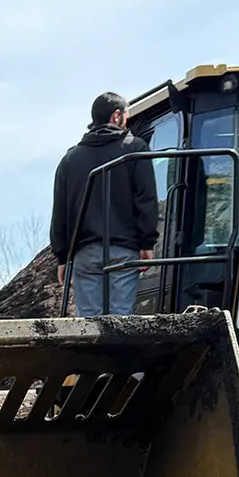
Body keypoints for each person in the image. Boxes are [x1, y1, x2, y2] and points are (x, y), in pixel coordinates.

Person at [49, 91, 159, 318]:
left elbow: (60, 212)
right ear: (116, 116)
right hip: (123, 250)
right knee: (120, 319)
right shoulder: (136, 149)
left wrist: (62, 257)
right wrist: (147, 242)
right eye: (126, 116)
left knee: (88, 323)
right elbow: (145, 197)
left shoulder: (70, 159)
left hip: (84, 254)